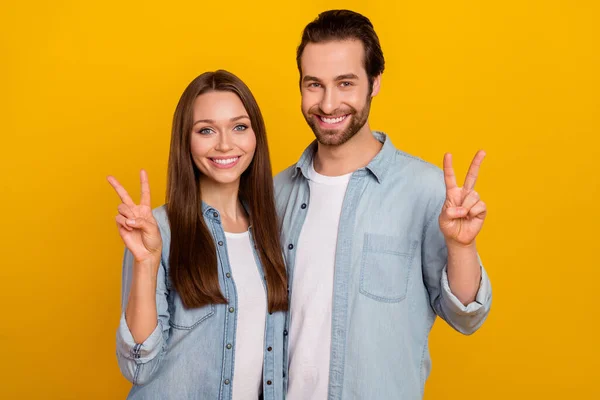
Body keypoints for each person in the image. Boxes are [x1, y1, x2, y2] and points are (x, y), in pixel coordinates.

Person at [275, 10, 493, 399]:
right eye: (314, 85)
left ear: (374, 84)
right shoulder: (276, 194)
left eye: (345, 83)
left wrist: (462, 246)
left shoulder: (425, 190)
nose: (328, 104)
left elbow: (465, 316)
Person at [107, 70, 288, 399]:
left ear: (256, 135)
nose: (224, 144)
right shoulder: (160, 230)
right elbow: (138, 368)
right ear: (186, 141)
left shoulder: (273, 232)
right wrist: (147, 262)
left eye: (239, 127)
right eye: (206, 130)